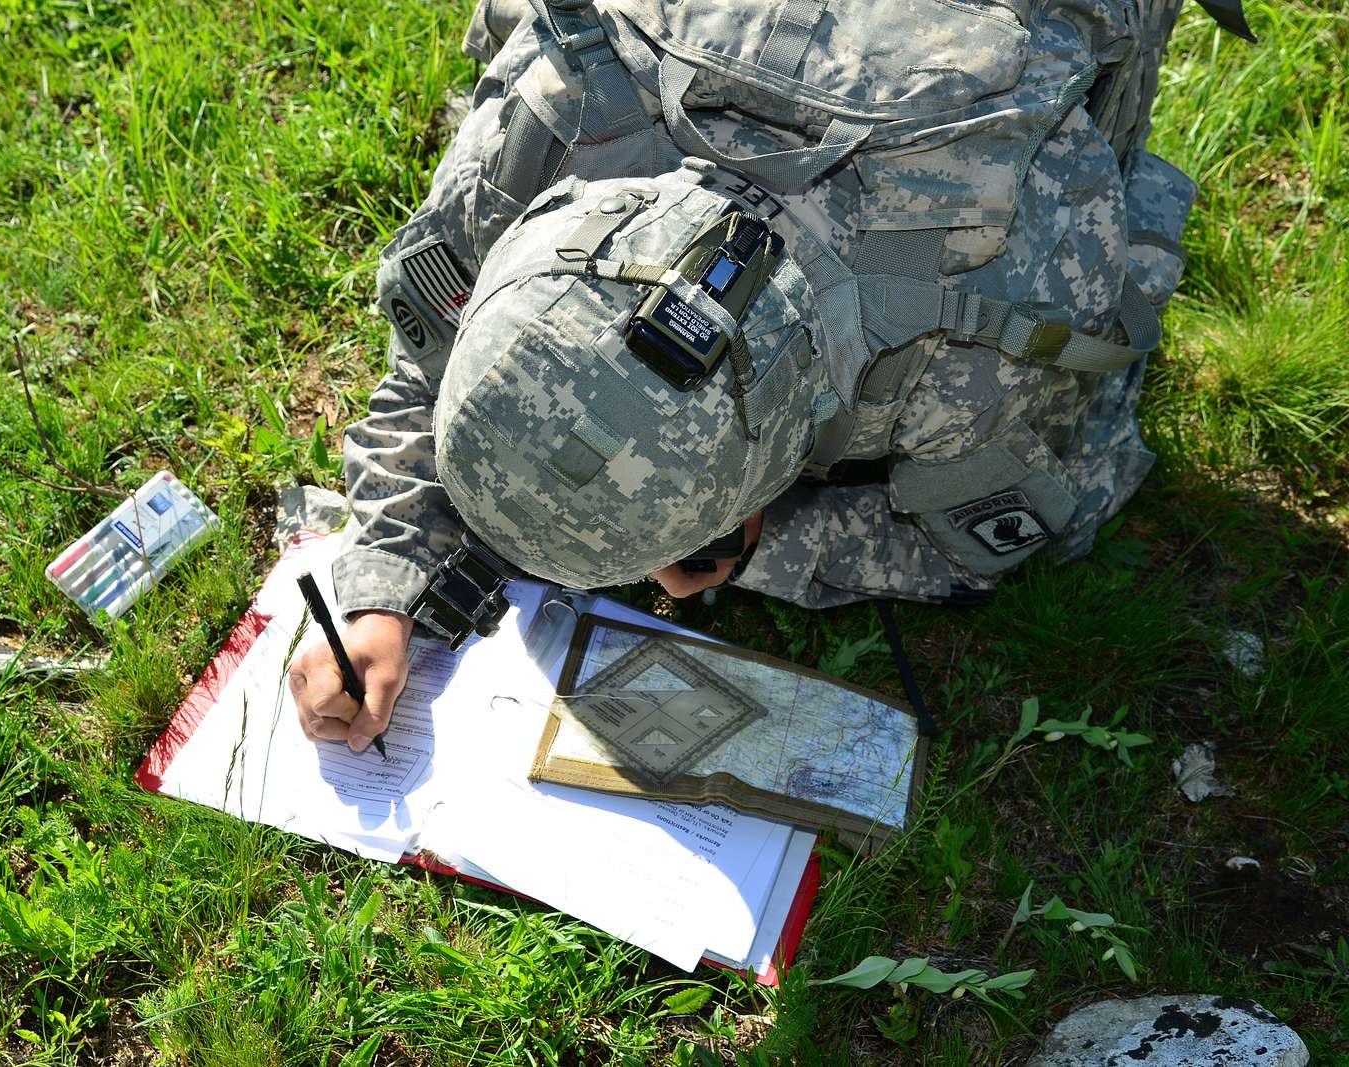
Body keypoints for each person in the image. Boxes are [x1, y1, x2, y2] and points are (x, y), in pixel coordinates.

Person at [290, 0, 1216, 751]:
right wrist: (384, 581)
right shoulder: (552, 119)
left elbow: (1029, 519)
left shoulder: (986, 324)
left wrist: (763, 549)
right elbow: (431, 359)